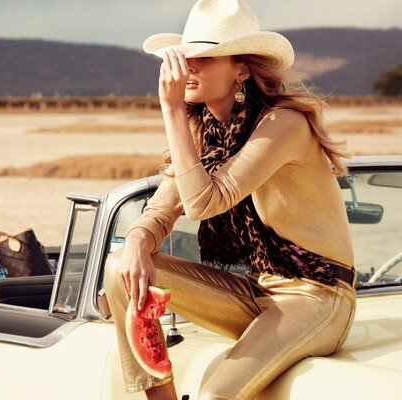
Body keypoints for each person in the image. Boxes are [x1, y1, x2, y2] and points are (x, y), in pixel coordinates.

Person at [103, 0, 356, 399]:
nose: (189, 68)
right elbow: (161, 210)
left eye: (204, 58)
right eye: (185, 58)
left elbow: (207, 201)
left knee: (213, 396)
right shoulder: (202, 128)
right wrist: (136, 240)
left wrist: (170, 108)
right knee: (120, 267)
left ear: (241, 69)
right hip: (252, 290)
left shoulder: (283, 123)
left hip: (317, 295)